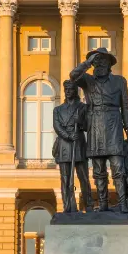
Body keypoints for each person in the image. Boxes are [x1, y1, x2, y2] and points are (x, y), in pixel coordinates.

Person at [69, 48, 128, 212]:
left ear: (110, 64)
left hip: (113, 122)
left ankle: (123, 203)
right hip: (95, 122)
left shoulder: (120, 81)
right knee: (98, 170)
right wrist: (87, 63)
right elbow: (73, 75)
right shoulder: (88, 80)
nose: (100, 63)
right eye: (97, 61)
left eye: (103, 60)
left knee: (118, 167)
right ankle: (103, 203)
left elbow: (125, 106)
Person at [51, 80, 91, 212]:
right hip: (64, 144)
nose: (68, 91)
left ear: (76, 91)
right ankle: (68, 206)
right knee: (65, 179)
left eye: (71, 89)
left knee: (83, 177)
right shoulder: (58, 110)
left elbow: (88, 126)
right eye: (66, 89)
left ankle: (89, 205)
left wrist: (80, 123)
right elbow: (57, 127)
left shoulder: (82, 107)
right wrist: (68, 136)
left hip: (79, 143)